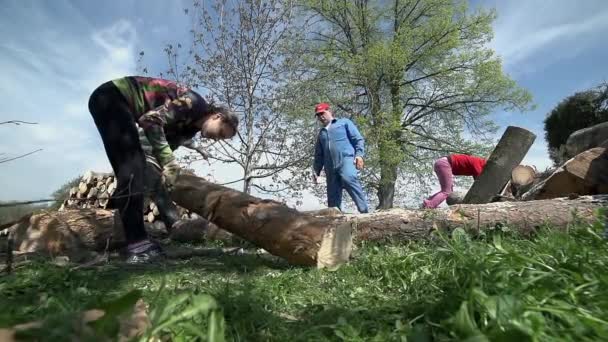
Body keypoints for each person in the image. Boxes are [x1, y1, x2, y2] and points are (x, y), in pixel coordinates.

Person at [88, 76, 238, 263]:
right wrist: (169, 162)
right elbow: (150, 120)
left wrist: (164, 171)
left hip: (117, 104)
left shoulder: (189, 130)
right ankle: (137, 246)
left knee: (138, 172)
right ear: (218, 116)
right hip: (112, 97)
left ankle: (125, 240)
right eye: (221, 133)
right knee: (133, 172)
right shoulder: (195, 104)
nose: (217, 139)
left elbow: (161, 146)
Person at [312, 102, 369, 213]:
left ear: (329, 111)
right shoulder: (322, 133)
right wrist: (316, 171)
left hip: (345, 160)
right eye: (318, 115)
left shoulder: (344, 123)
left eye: (322, 113)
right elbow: (319, 155)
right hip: (330, 166)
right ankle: (335, 218)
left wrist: (359, 155)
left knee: (349, 178)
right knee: (332, 192)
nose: (321, 117)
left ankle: (364, 211)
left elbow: (358, 139)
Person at [421, 153, 486, 209]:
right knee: (446, 191)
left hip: (442, 163)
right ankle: (429, 206)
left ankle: (428, 203)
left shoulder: (479, 162)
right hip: (445, 163)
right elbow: (480, 183)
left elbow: (477, 181)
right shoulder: (480, 163)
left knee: (447, 191)